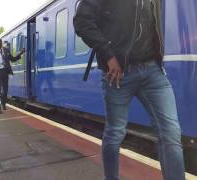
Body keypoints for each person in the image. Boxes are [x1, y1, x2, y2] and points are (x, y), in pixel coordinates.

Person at [74, 0, 185, 180]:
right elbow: (81, 21)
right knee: (115, 132)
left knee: (171, 132)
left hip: (152, 70)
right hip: (118, 73)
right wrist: (109, 56)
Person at [0, 38, 25, 114]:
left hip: (5, 72)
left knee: (5, 91)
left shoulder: (6, 49)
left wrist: (21, 53)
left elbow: (13, 59)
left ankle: (3, 103)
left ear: (1, 42)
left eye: (0, 41)